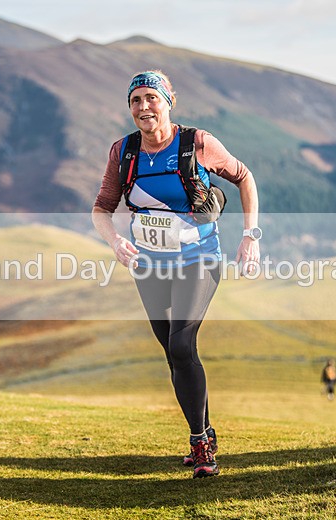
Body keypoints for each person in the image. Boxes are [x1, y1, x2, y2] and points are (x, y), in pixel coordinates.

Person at [92, 70, 260, 479]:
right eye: (135, 100)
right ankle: (202, 431)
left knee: (183, 345)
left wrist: (250, 236)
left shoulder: (197, 144)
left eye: (152, 97)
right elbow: (102, 208)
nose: (143, 107)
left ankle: (201, 445)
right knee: (173, 351)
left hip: (199, 258)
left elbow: (244, 177)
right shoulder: (124, 152)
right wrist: (115, 241)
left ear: (169, 101)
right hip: (148, 264)